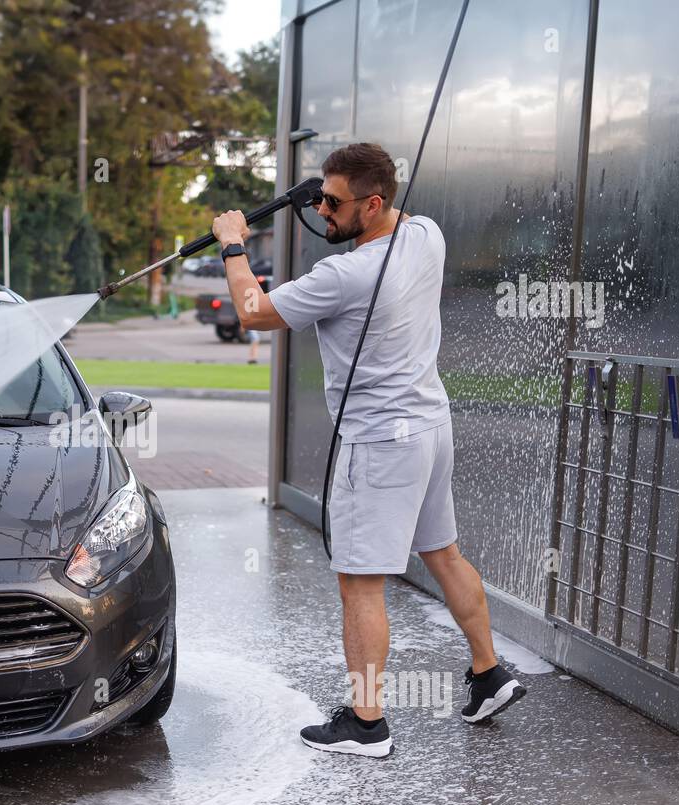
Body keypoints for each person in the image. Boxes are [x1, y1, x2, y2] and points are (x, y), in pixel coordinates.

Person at [211, 142, 525, 758]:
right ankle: (489, 674)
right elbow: (386, 219)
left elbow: (253, 311)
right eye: (319, 197)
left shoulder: (342, 277)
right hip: (430, 430)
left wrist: (232, 242)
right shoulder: (427, 236)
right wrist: (321, 192)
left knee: (359, 584)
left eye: (334, 202)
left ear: (374, 202)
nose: (323, 210)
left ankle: (366, 722)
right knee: (444, 554)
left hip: (380, 442)